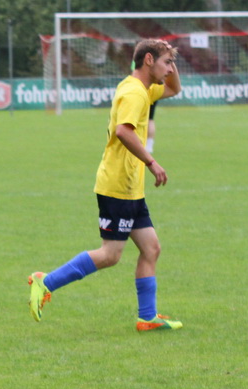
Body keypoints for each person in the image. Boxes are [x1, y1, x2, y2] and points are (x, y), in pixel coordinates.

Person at [28, 39, 183, 332]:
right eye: (166, 62)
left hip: (131, 187)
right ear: (148, 60)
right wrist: (152, 162)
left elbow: (174, 89)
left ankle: (147, 317)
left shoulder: (144, 89)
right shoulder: (134, 93)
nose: (170, 69)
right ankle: (45, 281)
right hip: (117, 186)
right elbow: (124, 131)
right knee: (110, 255)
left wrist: (170, 56)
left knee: (151, 248)